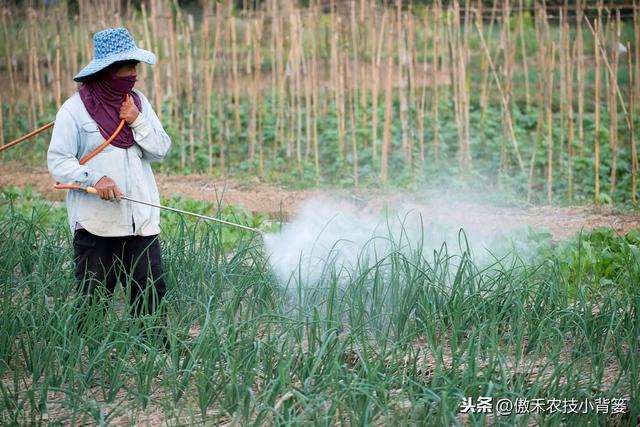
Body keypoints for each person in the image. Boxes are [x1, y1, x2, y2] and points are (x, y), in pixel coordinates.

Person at [47, 28, 171, 318]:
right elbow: (59, 161)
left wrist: (137, 121)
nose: (134, 75)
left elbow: (161, 150)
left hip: (141, 222)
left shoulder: (138, 103)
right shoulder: (74, 111)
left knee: (151, 295)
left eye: (135, 67)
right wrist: (95, 179)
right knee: (93, 299)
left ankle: (153, 352)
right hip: (97, 225)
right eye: (127, 68)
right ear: (107, 71)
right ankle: (82, 357)